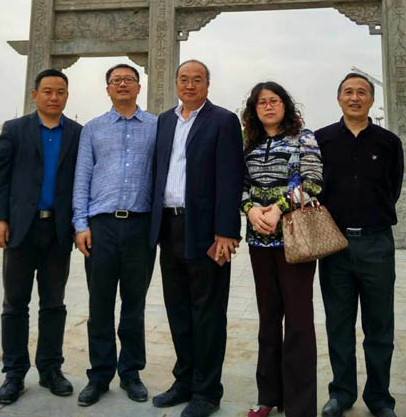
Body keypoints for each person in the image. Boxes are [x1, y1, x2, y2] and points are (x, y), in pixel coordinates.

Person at [150, 59, 245, 417]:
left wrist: (226, 231)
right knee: (177, 309)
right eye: (184, 79)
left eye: (197, 80)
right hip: (169, 227)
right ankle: (184, 381)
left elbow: (231, 178)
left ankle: (207, 392)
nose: (189, 85)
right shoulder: (164, 120)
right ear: (176, 83)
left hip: (206, 231)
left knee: (207, 312)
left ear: (207, 84)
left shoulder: (223, 121)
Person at [0, 69, 82, 405]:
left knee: (54, 304)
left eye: (60, 91)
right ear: (35, 95)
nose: (54, 97)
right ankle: (14, 374)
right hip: (20, 230)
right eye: (47, 91)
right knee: (15, 303)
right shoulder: (15, 130)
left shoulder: (77, 134)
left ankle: (50, 369)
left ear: (67, 96)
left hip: (57, 231)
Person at [315, 73, 404, 417]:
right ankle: (341, 393)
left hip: (376, 244)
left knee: (379, 327)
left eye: (362, 92)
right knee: (338, 324)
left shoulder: (388, 142)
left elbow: (393, 188)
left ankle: (379, 398)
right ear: (339, 98)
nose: (355, 98)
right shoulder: (322, 139)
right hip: (334, 245)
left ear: (371, 100)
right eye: (349, 92)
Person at [72, 63, 157, 407]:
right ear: (107, 88)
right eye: (116, 81)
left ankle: (131, 372)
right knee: (100, 304)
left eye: (128, 80)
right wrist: (81, 225)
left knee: (134, 306)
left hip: (140, 226)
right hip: (101, 227)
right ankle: (100, 374)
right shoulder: (92, 129)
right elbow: (82, 178)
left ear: (139, 87)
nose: (122, 84)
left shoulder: (157, 126)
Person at [241, 81, 323, 417]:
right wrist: (250, 210)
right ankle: (268, 396)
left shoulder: (303, 137)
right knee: (268, 319)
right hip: (259, 241)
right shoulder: (249, 143)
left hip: (295, 239)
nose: (268, 106)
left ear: (285, 105)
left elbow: (314, 182)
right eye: (262, 102)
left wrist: (278, 208)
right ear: (254, 109)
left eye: (274, 100)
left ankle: (300, 406)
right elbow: (240, 185)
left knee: (299, 321)